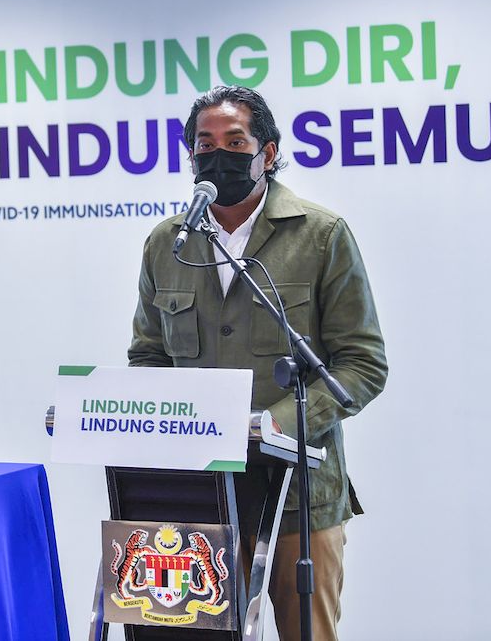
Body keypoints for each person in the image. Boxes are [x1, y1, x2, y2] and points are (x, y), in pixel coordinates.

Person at [128, 85, 387, 641]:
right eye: (205, 144)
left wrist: (274, 426)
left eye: (235, 141)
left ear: (267, 153)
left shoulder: (321, 236)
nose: (218, 154)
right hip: (195, 497)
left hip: (299, 494)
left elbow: (361, 364)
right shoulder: (164, 243)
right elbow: (148, 355)